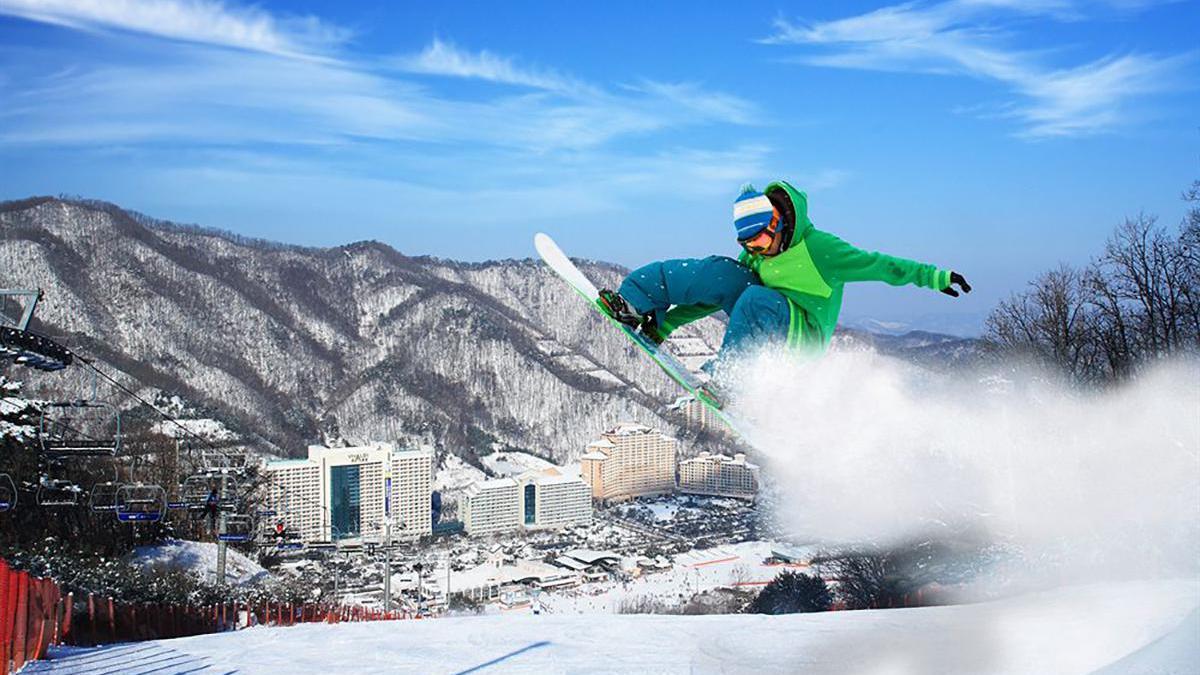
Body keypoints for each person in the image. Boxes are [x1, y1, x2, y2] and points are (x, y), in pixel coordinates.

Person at [599, 180, 970, 386]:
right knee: (721, 273)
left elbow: (880, 265)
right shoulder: (757, 254)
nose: (754, 250)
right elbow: (714, 297)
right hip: (766, 316)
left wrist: (934, 277)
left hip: (802, 337)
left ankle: (734, 380)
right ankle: (637, 301)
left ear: (776, 222)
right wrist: (664, 326)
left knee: (756, 298)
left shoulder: (821, 250)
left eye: (758, 240)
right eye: (746, 244)